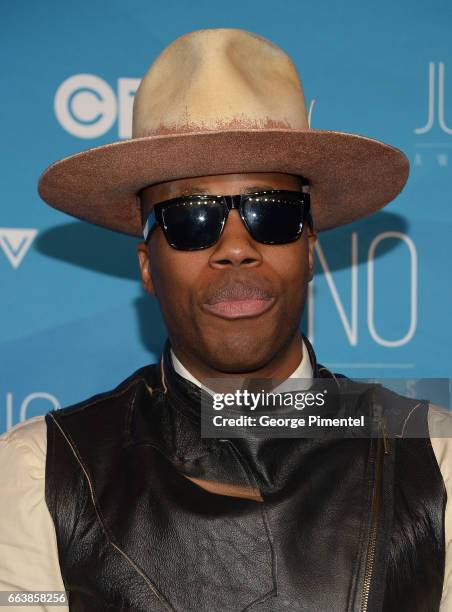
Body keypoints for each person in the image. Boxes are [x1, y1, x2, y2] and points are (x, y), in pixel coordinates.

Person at [1, 27, 451, 612]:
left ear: (310, 249)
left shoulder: (435, 455)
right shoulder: (41, 474)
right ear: (146, 265)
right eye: (191, 219)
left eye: (272, 213)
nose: (236, 248)